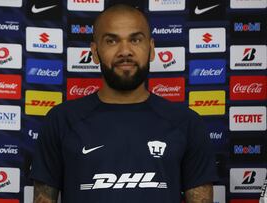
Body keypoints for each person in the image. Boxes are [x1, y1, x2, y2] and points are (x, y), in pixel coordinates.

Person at [30, 4, 218, 203]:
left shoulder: (186, 122)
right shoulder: (62, 120)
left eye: (135, 39)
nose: (125, 51)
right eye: (112, 41)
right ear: (95, 52)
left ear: (152, 49)